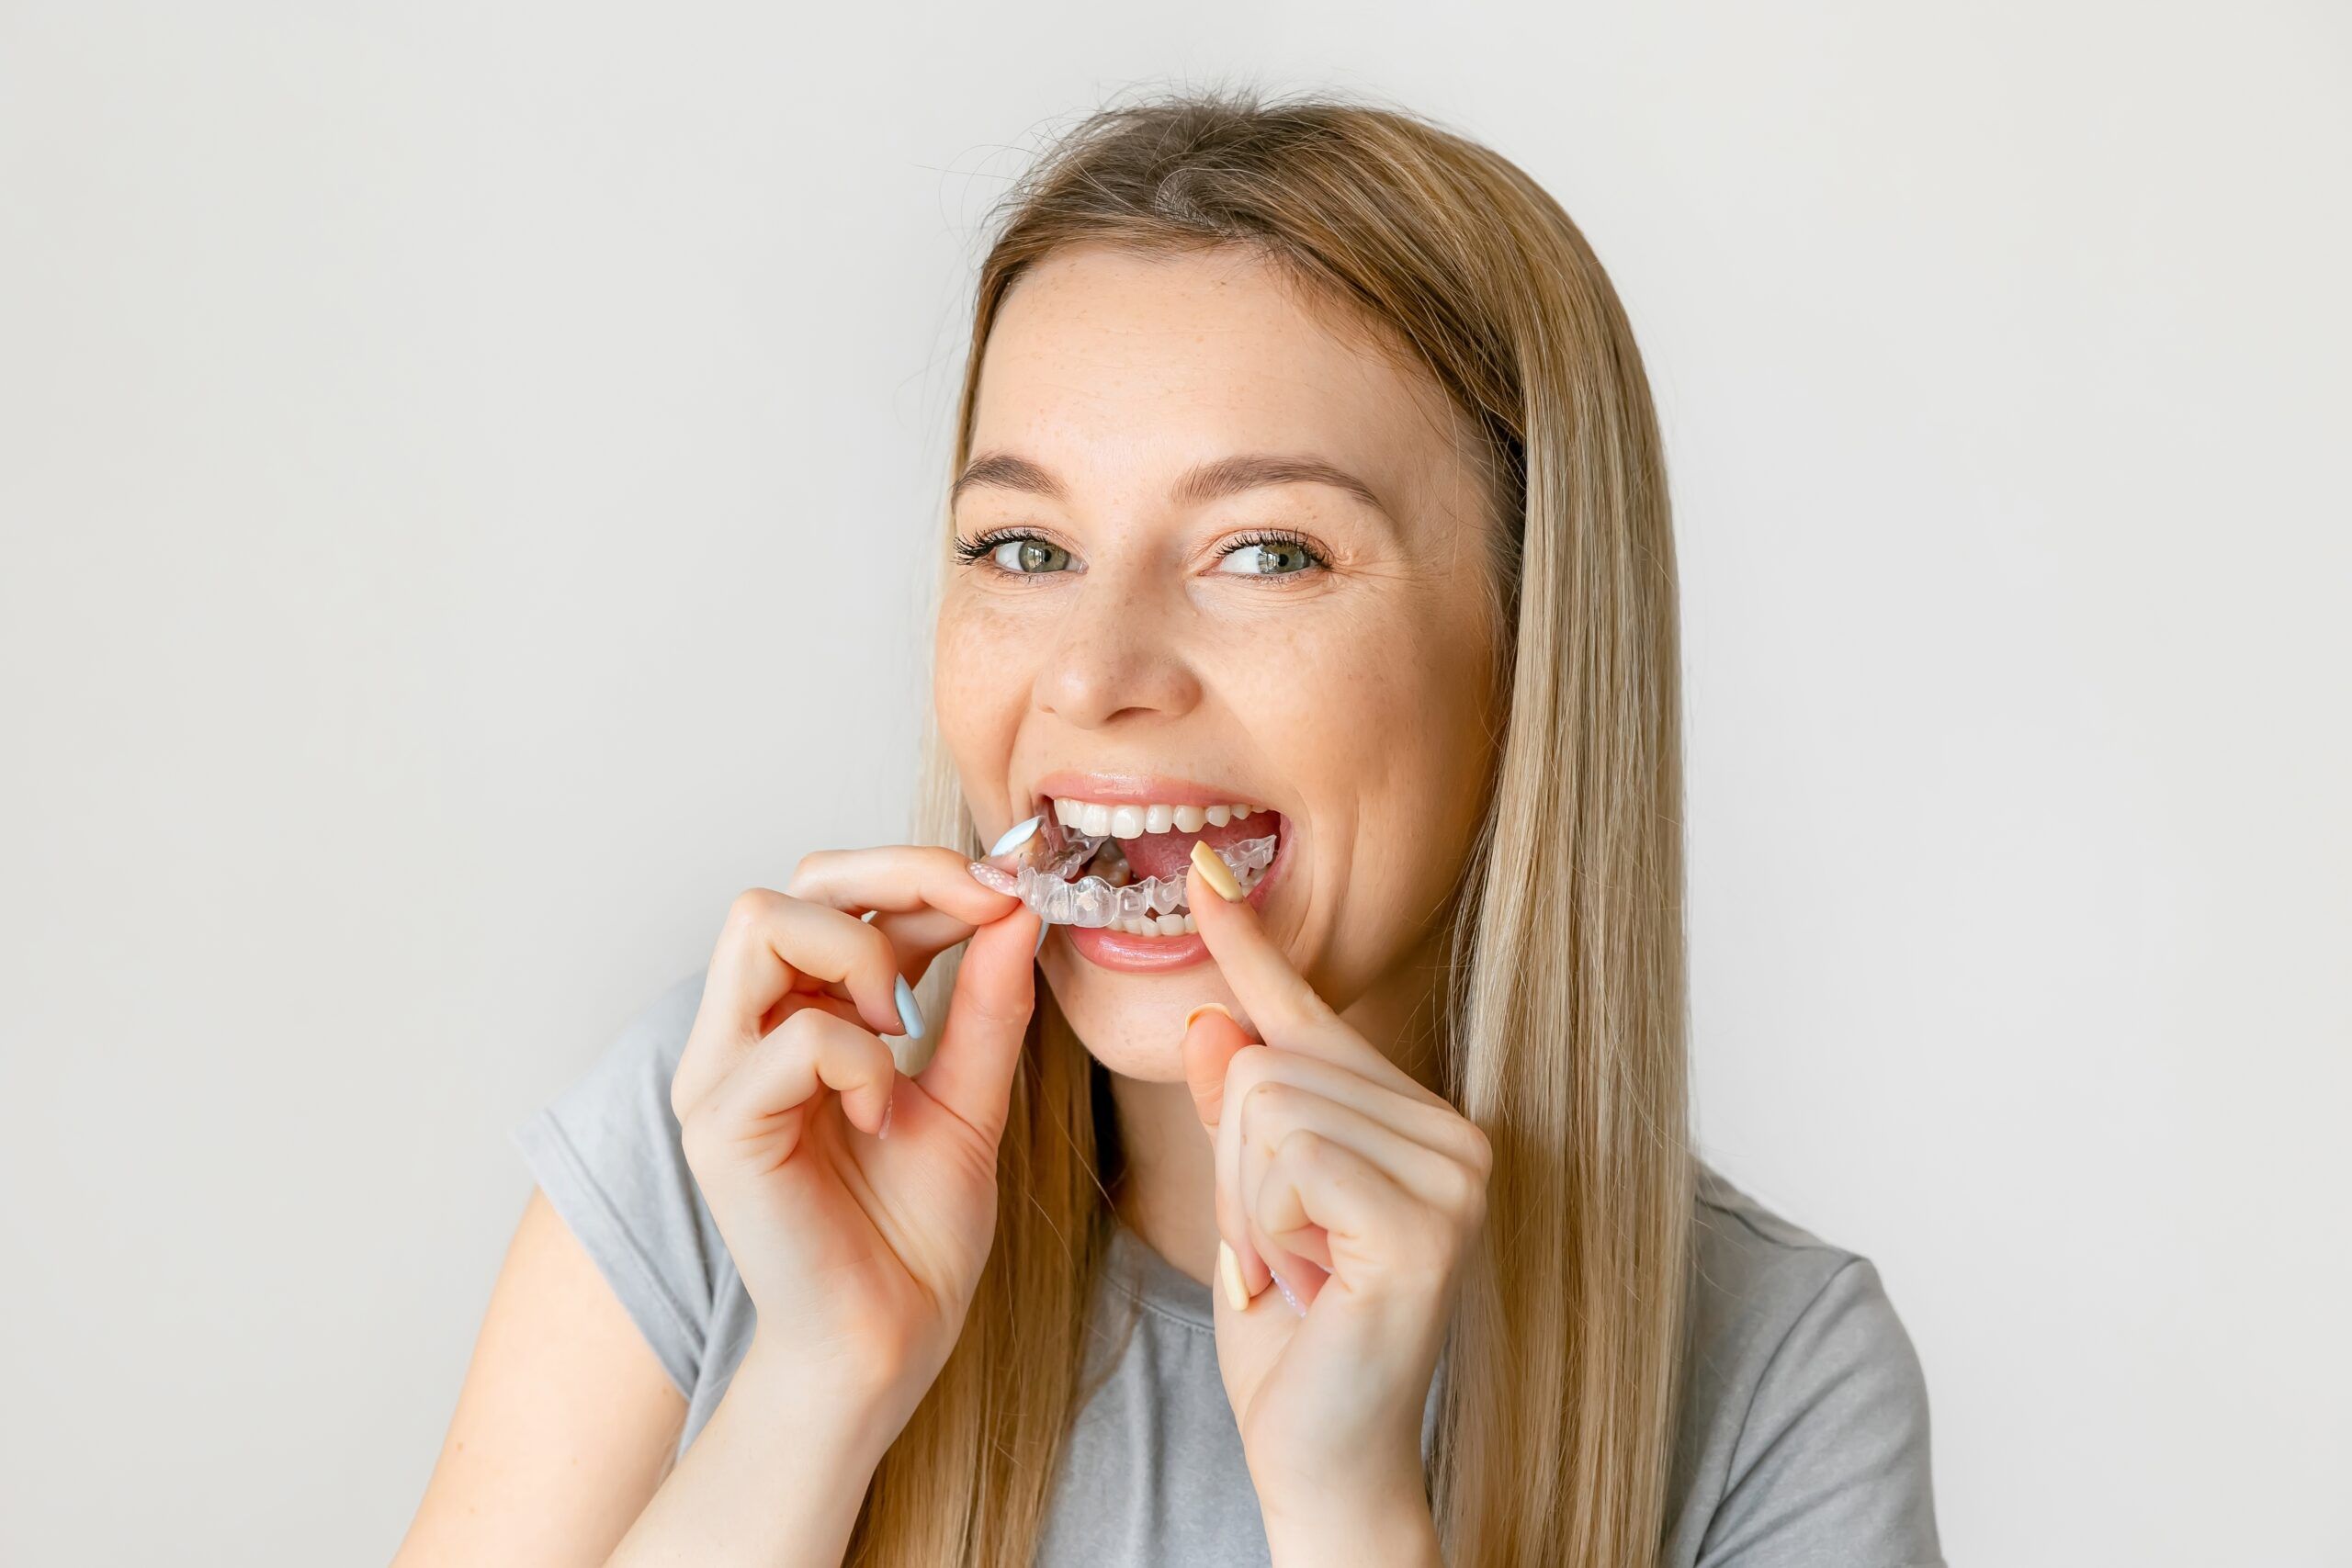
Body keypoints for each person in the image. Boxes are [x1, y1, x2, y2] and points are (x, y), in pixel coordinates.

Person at [393, 90, 1942, 1568]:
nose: (1093, 670)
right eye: (1022, 545)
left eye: (1265, 552)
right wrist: (814, 1388)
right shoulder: (733, 1144)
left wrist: (1352, 1518)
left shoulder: (1774, 1380)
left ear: (1532, 653)